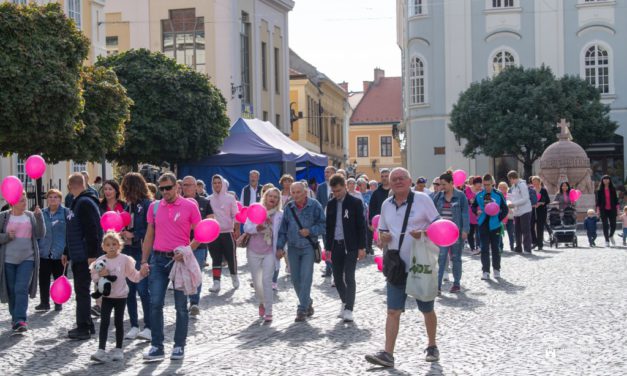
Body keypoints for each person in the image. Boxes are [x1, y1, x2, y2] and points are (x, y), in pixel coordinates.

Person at [365, 168, 441, 368]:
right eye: (394, 179)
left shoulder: (423, 200)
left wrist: (423, 233)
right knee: (392, 310)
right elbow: (381, 230)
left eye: (402, 178)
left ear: (409, 181)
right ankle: (388, 354)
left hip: (419, 264)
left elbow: (438, 227)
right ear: (390, 183)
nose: (398, 181)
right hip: (396, 264)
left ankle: (432, 345)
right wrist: (383, 237)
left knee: (426, 308)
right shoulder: (386, 205)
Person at [141, 172, 202, 361]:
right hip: (158, 260)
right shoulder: (154, 207)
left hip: (180, 262)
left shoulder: (190, 206)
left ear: (177, 187)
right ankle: (157, 346)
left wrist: (187, 251)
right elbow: (149, 235)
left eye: (169, 187)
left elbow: (200, 234)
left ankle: (179, 346)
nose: (165, 191)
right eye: (162, 188)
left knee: (181, 307)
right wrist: (144, 260)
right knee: (155, 303)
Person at [90, 231, 148, 363]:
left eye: (114, 244)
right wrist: (100, 275)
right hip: (107, 297)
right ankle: (101, 350)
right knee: (104, 322)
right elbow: (94, 277)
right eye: (108, 245)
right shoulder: (100, 261)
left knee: (118, 322)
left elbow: (133, 275)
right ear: (103, 246)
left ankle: (118, 349)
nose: (111, 247)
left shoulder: (124, 260)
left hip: (121, 297)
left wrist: (142, 274)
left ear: (119, 245)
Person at [276, 182, 326, 322]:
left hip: (308, 247)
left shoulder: (315, 205)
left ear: (305, 192)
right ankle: (308, 301)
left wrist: (310, 231)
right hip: (292, 247)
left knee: (306, 277)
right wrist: (280, 247)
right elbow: (283, 230)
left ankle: (302, 308)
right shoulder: (289, 207)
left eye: (298, 192)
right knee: (295, 279)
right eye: (293, 192)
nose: (296, 195)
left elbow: (323, 225)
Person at [0, 191, 45, 333]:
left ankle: (20, 319)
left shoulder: (31, 216)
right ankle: (15, 318)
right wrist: (6, 237)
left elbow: (40, 234)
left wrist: (40, 217)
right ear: (12, 202)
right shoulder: (4, 216)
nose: (25, 203)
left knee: (21, 288)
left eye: (25, 200)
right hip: (8, 259)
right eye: (21, 201)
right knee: (12, 290)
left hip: (28, 258)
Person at [65, 172, 103, 340]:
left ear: (69, 187)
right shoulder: (79, 202)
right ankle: (86, 324)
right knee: (81, 290)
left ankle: (84, 327)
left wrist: (92, 254)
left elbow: (92, 230)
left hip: (84, 255)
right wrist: (67, 251)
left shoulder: (84, 203)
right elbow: (74, 230)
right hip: (79, 254)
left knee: (82, 291)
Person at [324, 174, 366, 322]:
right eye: (334, 191)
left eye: (339, 190)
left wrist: (362, 247)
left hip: (351, 246)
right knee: (337, 277)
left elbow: (361, 226)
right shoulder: (331, 204)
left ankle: (349, 309)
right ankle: (344, 301)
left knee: (349, 276)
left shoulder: (355, 202)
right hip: (336, 245)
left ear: (345, 187)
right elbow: (328, 227)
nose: (336, 194)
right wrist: (327, 247)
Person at [120, 172, 153, 341]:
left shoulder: (147, 205)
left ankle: (149, 325)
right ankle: (134, 325)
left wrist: (134, 235)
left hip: (141, 251)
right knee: (129, 290)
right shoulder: (128, 206)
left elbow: (151, 228)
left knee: (142, 289)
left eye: (125, 186)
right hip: (128, 251)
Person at [243, 187, 283, 322]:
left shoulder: (279, 215)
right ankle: (262, 303)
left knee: (266, 280)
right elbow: (246, 227)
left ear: (278, 200)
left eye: (275, 197)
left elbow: (282, 234)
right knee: (257, 282)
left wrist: (281, 249)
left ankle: (269, 311)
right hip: (253, 251)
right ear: (265, 197)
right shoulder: (256, 210)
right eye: (270, 196)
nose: (272, 198)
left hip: (269, 252)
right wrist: (257, 228)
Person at [181, 176, 213, 318]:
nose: (186, 187)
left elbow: (211, 220)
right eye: (184, 185)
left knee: (196, 272)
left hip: (199, 244)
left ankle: (194, 303)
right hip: (180, 243)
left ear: (196, 187)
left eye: (189, 185)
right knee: (182, 274)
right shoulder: (178, 202)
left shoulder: (205, 202)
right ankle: (183, 301)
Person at [432, 172, 469, 294]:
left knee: (456, 258)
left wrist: (465, 230)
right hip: (442, 234)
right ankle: (437, 286)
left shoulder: (460, 196)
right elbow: (432, 213)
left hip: (456, 233)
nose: (442, 187)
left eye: (444, 184)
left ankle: (456, 283)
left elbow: (465, 213)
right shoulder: (438, 196)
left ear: (452, 183)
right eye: (440, 184)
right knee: (441, 258)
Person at [36, 189, 67, 312]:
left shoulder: (66, 213)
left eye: (55, 197)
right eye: (50, 197)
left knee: (58, 279)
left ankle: (58, 302)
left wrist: (67, 251)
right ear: (47, 199)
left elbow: (69, 233)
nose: (53, 199)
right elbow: (36, 231)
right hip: (44, 251)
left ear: (60, 199)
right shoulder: (41, 213)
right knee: (43, 279)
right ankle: (44, 302)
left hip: (59, 253)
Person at [473, 174, 508, 280]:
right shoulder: (479, 194)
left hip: (495, 225)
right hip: (483, 224)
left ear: (493, 184)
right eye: (484, 185)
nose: (486, 187)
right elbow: (473, 206)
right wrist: (477, 211)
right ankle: (485, 271)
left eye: (488, 185)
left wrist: (498, 219)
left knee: (495, 248)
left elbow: (505, 209)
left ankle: (496, 270)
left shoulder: (498, 194)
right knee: (484, 248)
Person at [208, 175, 240, 293]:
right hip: (214, 234)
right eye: (214, 183)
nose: (217, 185)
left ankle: (234, 276)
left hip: (227, 232)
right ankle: (216, 282)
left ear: (223, 184)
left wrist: (237, 229)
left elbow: (236, 215)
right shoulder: (209, 199)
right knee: (215, 258)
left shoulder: (230, 198)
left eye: (219, 183)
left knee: (231, 256)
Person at [507, 170, 533, 253]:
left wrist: (514, 204)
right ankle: (518, 247)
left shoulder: (522, 185)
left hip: (525, 210)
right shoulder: (514, 186)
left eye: (510, 179)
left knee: (525, 230)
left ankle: (527, 248)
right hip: (517, 211)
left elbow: (525, 198)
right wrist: (509, 203)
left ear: (512, 178)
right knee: (517, 230)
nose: (510, 181)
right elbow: (512, 197)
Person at [368, 168, 391, 243]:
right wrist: (371, 223)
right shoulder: (376, 193)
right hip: (381, 224)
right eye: (382, 176)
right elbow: (371, 208)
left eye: (386, 176)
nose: (384, 178)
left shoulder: (395, 191)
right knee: (383, 248)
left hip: (394, 223)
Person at [596, 175, 618, 247]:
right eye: (604, 179)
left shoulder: (613, 189)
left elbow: (616, 200)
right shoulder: (599, 190)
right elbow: (598, 201)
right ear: (602, 181)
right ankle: (607, 240)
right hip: (603, 209)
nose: (606, 180)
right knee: (605, 225)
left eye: (607, 179)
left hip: (612, 209)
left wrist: (618, 209)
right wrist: (598, 210)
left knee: (613, 225)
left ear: (609, 180)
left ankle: (611, 235)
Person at [530, 176, 550, 251]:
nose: (534, 183)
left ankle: (540, 245)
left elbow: (547, 200)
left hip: (541, 211)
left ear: (539, 182)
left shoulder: (543, 190)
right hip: (532, 210)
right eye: (533, 181)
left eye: (536, 181)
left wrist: (541, 203)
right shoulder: (531, 190)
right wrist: (532, 204)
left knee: (540, 228)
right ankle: (534, 242)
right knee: (531, 226)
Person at [466, 176, 482, 256]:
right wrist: (470, 201)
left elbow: (486, 202)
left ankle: (478, 247)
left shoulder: (483, 191)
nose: (480, 187)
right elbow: (467, 200)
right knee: (470, 233)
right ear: (474, 184)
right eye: (478, 186)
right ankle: (472, 248)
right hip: (470, 214)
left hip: (480, 214)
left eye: (480, 186)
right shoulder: (467, 189)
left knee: (479, 232)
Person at [498, 182, 515, 252]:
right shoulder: (498, 196)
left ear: (506, 188)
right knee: (500, 233)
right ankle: (501, 246)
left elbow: (513, 204)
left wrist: (510, 207)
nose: (502, 189)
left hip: (509, 217)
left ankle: (512, 246)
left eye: (504, 188)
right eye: (500, 187)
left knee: (511, 233)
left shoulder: (509, 195)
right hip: (501, 216)